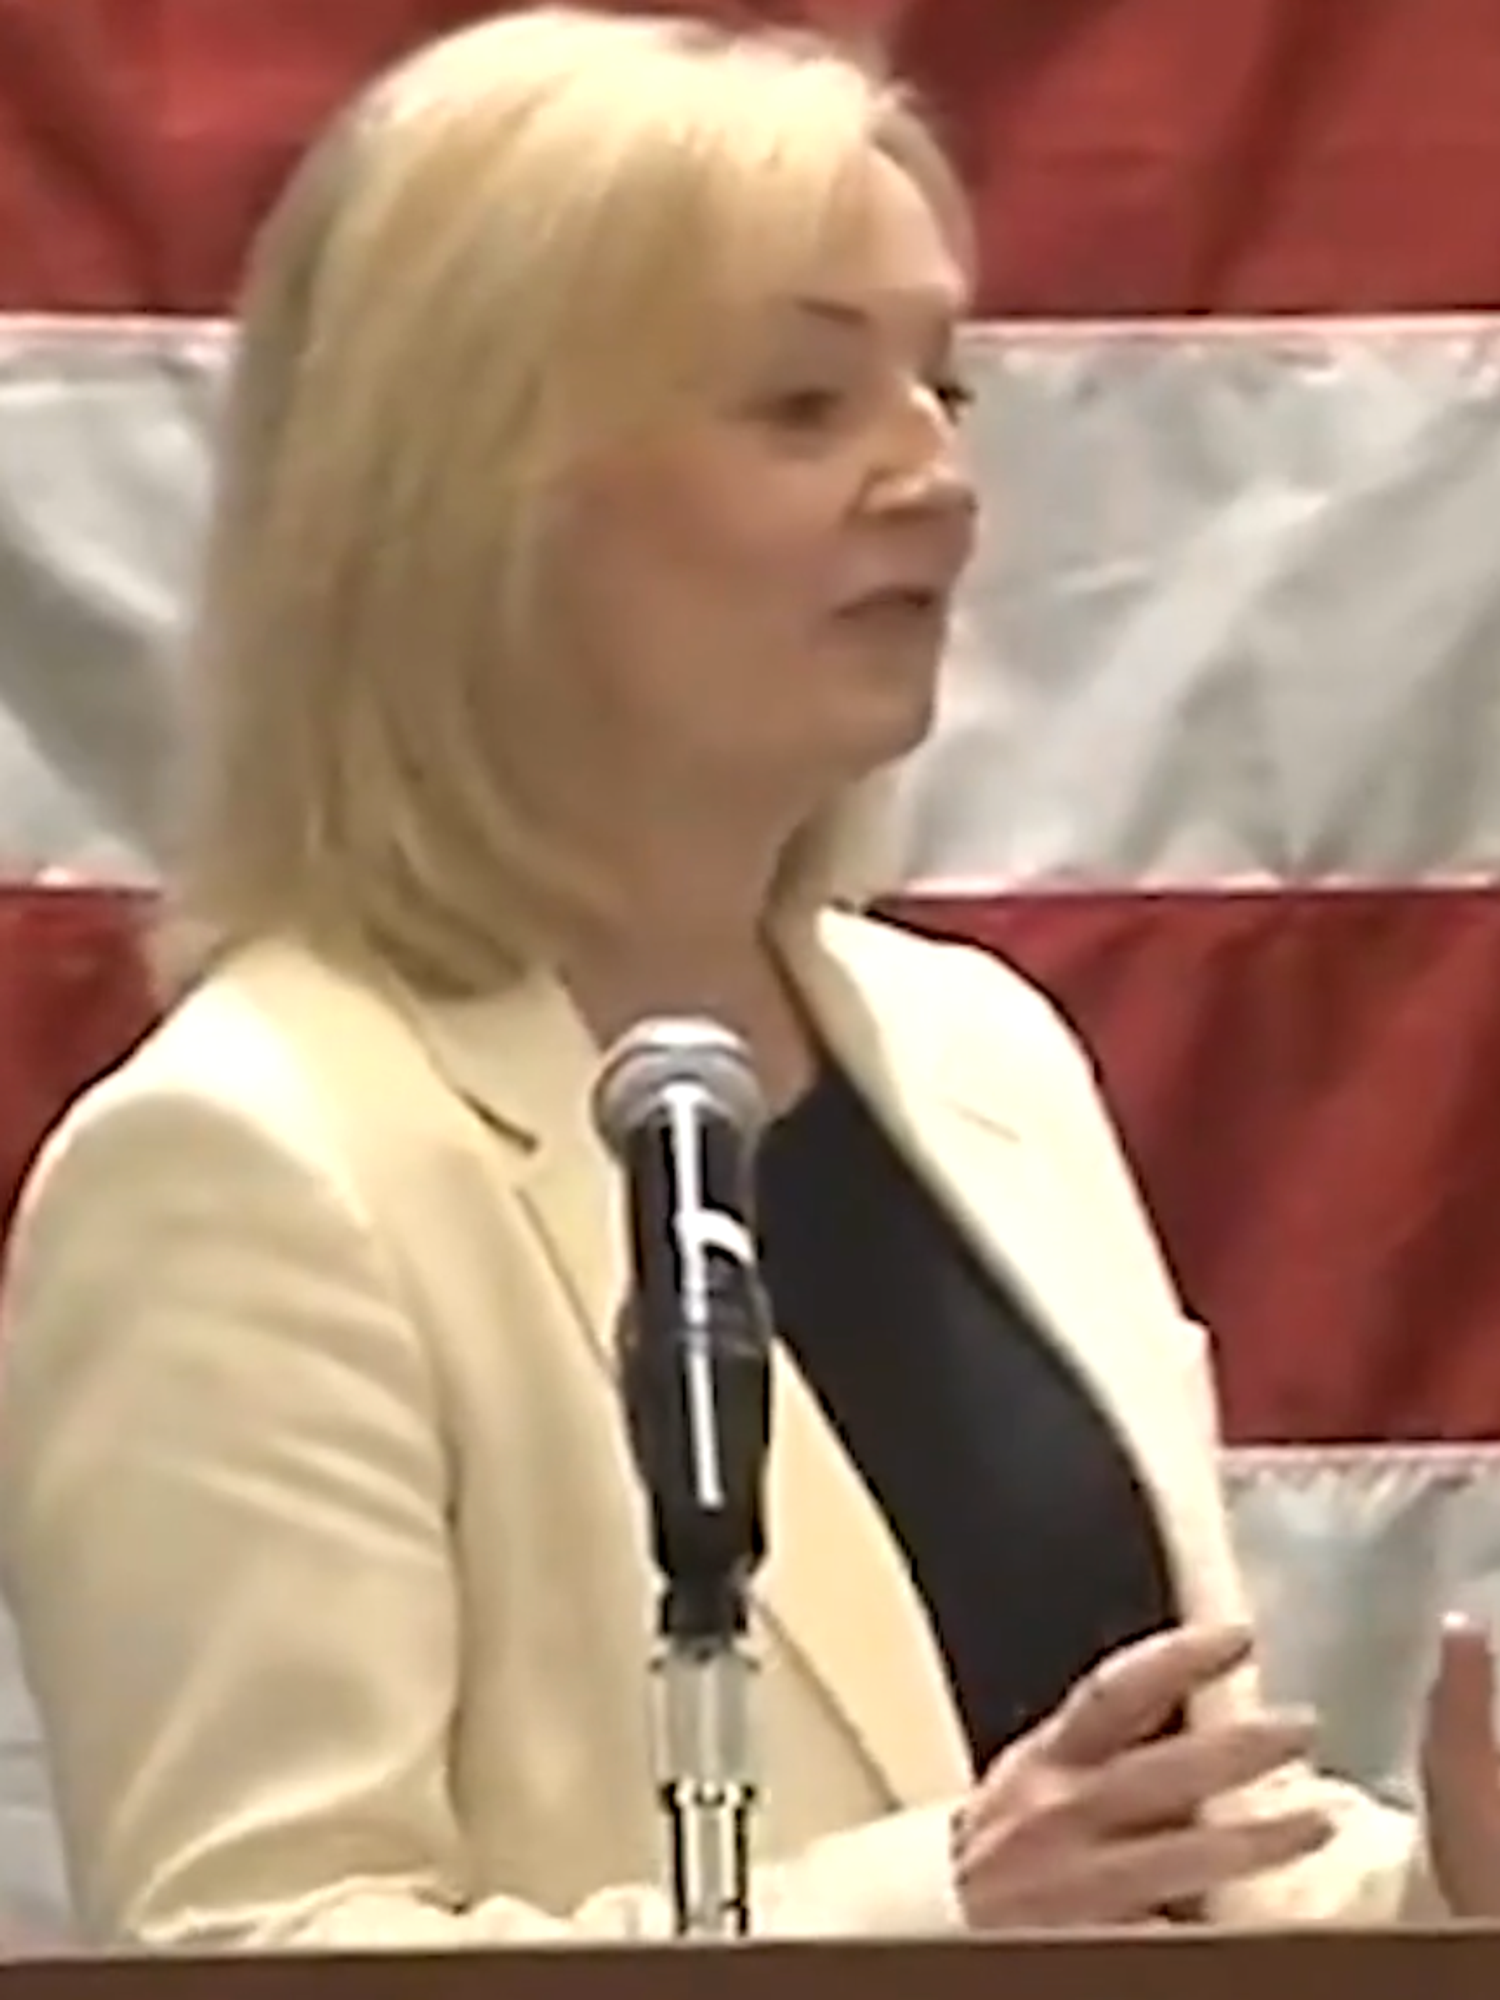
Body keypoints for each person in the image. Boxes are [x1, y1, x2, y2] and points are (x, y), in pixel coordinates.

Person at [1, 0, 1498, 1955]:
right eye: (805, 405)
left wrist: (1453, 1882)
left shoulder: (984, 1060)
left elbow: (1172, 1867)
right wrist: (924, 1915)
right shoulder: (249, 1166)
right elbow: (257, 1950)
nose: (938, 477)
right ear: (469, 496)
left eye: (944, 386)